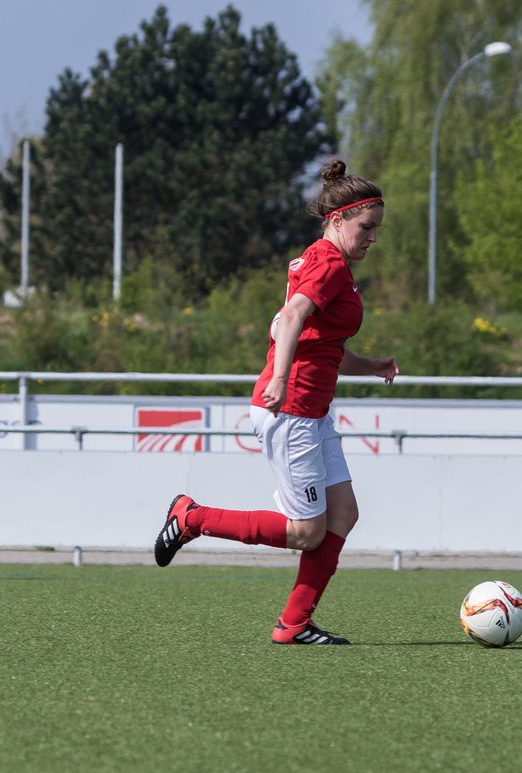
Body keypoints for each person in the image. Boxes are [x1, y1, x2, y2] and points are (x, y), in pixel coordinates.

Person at [153, 159, 399, 644]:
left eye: (377, 229)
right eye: (366, 227)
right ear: (338, 220)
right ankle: (191, 517)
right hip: (291, 412)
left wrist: (370, 366)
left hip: (311, 411)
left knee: (343, 513)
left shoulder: (324, 262)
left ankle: (294, 624)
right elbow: (289, 320)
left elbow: (318, 343)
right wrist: (281, 377)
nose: (373, 236)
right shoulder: (328, 265)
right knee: (306, 532)